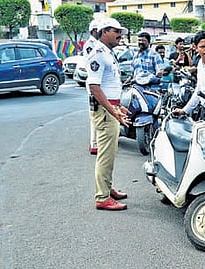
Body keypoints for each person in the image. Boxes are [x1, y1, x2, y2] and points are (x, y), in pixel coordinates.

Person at [86, 18, 131, 211]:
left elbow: (109, 85)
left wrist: (119, 106)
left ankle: (107, 187)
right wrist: (113, 111)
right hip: (105, 111)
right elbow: (94, 86)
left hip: (111, 108)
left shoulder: (107, 52)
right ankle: (102, 197)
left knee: (110, 153)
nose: (120, 34)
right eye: (116, 31)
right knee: (105, 154)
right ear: (104, 31)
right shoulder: (98, 53)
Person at [84, 19, 101, 155]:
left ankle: (97, 142)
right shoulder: (91, 45)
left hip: (98, 83)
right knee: (95, 113)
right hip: (94, 83)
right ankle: (94, 143)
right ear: (95, 31)